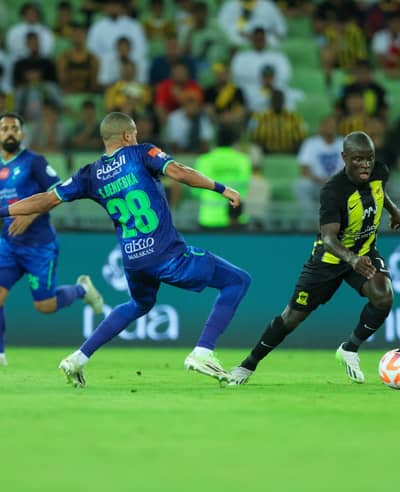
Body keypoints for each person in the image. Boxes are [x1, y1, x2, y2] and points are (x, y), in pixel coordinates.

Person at [0, 112, 251, 386]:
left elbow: (45, 200)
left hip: (133, 260)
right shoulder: (142, 153)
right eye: (135, 134)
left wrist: (3, 210)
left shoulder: (89, 174)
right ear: (128, 135)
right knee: (237, 280)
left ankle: (77, 359)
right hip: (167, 255)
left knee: (139, 303)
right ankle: (203, 352)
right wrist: (221, 188)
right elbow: (179, 171)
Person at [227, 131, 400, 385]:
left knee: (383, 295)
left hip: (364, 252)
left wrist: (394, 210)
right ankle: (248, 365)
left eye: (369, 158)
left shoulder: (380, 171)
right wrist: (352, 260)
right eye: (358, 159)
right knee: (292, 318)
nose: (365, 164)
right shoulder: (333, 191)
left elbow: (378, 192)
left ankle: (349, 349)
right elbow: (329, 239)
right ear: (344, 158)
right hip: (329, 261)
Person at [0, 112, 103, 367]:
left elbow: (57, 191)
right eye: (4, 128)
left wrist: (30, 214)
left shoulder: (34, 162)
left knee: (45, 306)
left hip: (39, 246)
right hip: (8, 244)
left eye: (14, 128)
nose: (9, 132)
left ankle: (82, 290)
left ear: (22, 134)